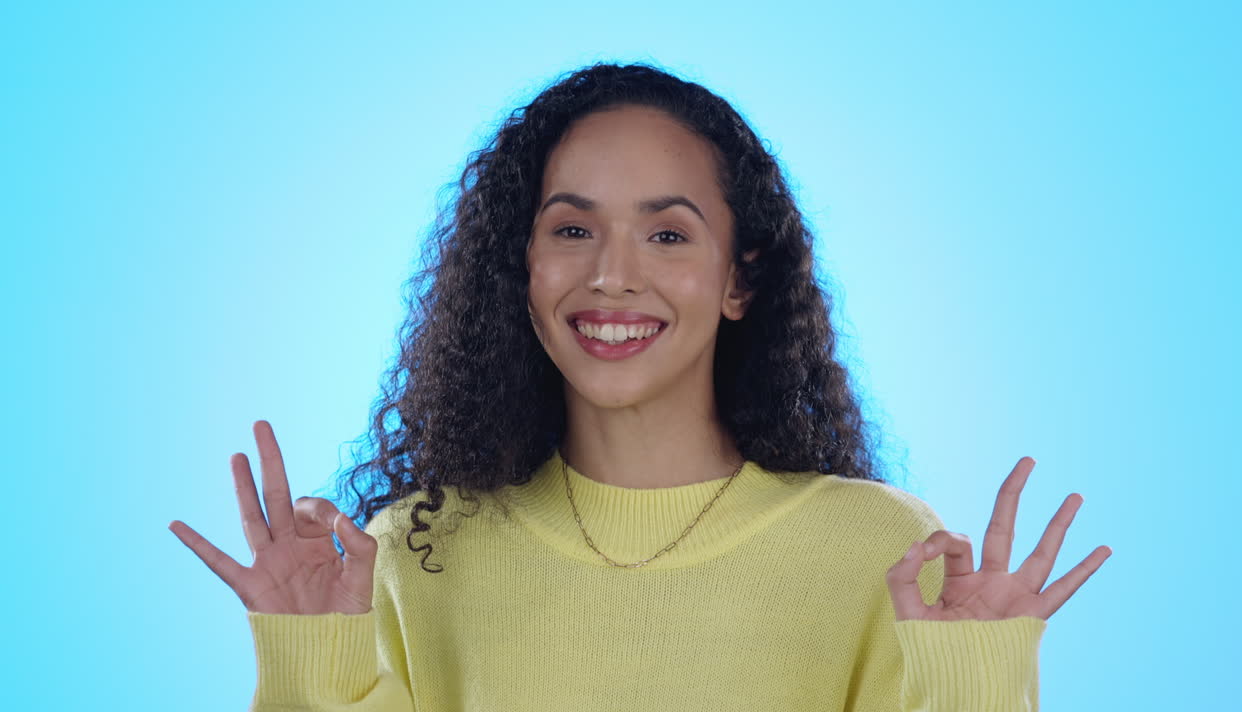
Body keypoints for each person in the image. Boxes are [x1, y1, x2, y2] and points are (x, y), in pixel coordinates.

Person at [168, 62, 1111, 711]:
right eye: (572, 230)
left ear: (740, 278)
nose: (612, 276)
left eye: (667, 234)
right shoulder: (416, 554)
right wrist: (306, 662)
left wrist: (981, 679)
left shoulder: (881, 549)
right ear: (521, 268)